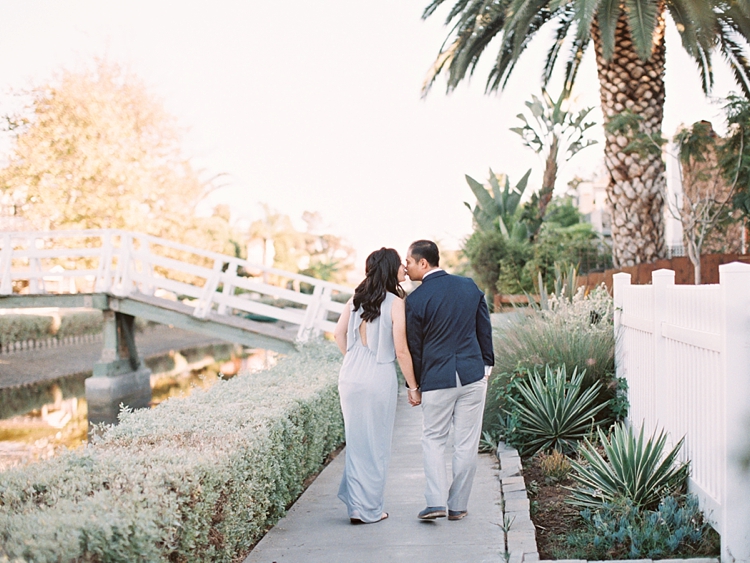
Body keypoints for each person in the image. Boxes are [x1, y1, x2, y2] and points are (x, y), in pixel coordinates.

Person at [404, 240, 494, 521]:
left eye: (408, 262)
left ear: (423, 263)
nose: (405, 269)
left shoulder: (415, 300)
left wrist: (415, 386)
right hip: (472, 375)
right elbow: (484, 326)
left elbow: (415, 348)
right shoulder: (468, 286)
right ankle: (457, 506)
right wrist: (486, 365)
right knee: (467, 443)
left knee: (433, 439)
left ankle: (435, 502)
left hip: (437, 379)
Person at [333, 247, 421, 524]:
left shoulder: (355, 299)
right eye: (400, 265)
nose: (404, 269)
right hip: (378, 375)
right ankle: (369, 509)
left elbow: (338, 333)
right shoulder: (396, 302)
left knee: (357, 441)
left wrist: (354, 360)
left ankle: (356, 506)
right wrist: (413, 386)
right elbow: (402, 350)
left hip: (350, 376)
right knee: (377, 443)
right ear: (389, 269)